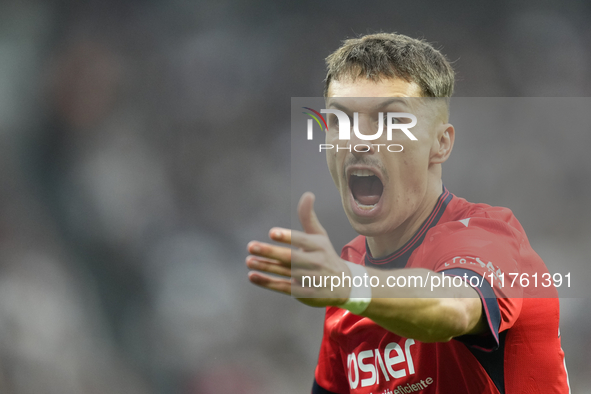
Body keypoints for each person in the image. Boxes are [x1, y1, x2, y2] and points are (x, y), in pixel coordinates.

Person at [246, 33, 570, 393]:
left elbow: (455, 307)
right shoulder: (348, 271)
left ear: (440, 143)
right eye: (339, 120)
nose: (358, 141)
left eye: (390, 120)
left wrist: (348, 284)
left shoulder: (488, 234)